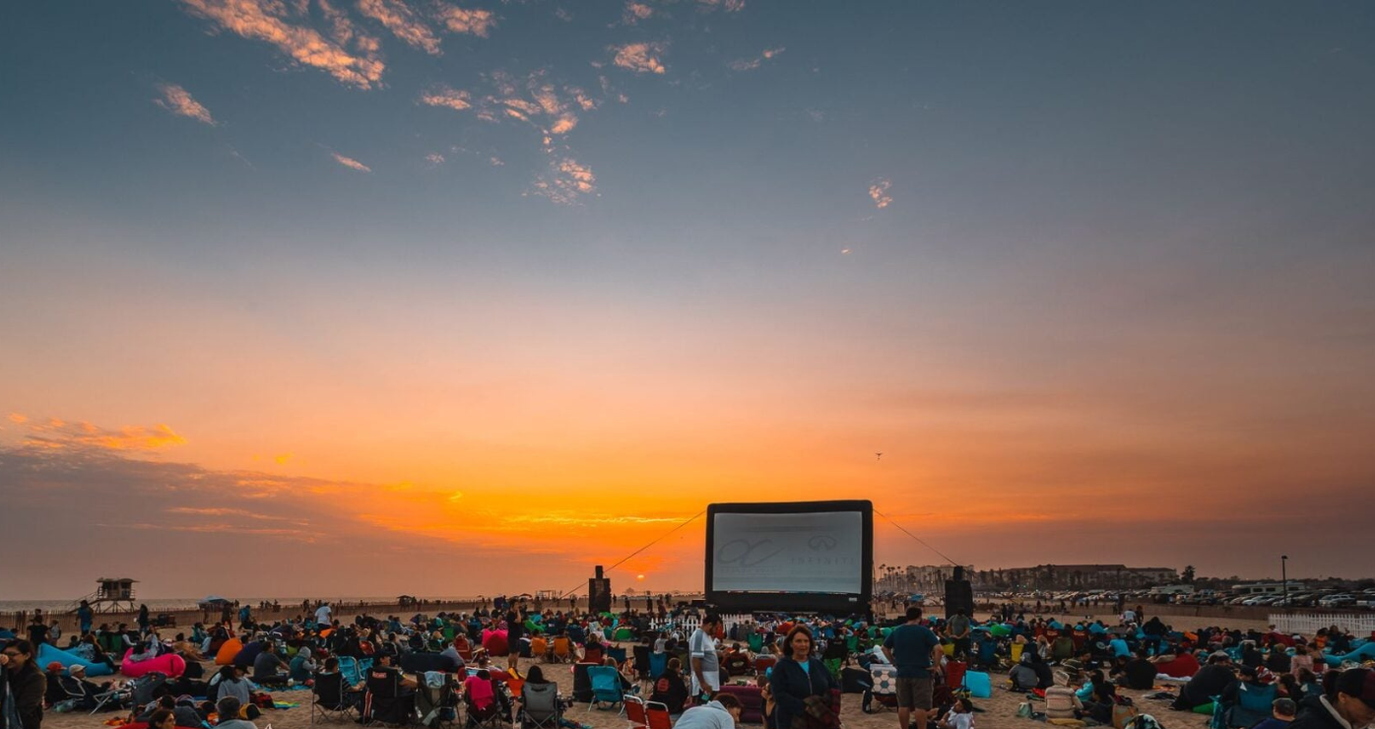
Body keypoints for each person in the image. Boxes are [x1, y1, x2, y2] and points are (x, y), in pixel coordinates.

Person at [882, 606, 943, 729]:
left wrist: (893, 662)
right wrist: (935, 666)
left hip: (902, 672)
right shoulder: (925, 631)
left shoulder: (897, 631)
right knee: (920, 706)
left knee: (903, 705)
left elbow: (884, 648)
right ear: (919, 617)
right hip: (921, 673)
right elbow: (939, 649)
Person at [770, 626, 836, 729]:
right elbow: (778, 694)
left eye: (806, 641)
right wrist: (804, 706)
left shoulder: (818, 665)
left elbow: (833, 685)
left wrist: (823, 705)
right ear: (791, 644)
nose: (803, 645)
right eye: (798, 641)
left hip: (818, 718)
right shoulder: (781, 666)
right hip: (790, 721)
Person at [1288, 668, 1375, 729]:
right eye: (1370, 705)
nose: (1373, 713)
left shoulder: (1357, 722)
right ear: (1343, 697)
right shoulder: (1306, 725)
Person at [1172, 651, 1238, 711]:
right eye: (1230, 663)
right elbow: (1230, 690)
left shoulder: (1204, 668)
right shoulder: (1228, 673)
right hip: (1203, 700)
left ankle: (1178, 705)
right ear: (1224, 662)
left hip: (1188, 694)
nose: (1231, 666)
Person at [2, 641, 46, 729]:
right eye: (5, 654)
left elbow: (25, 707)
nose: (8, 658)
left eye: (12, 654)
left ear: (27, 655)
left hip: (25, 723)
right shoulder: (4, 672)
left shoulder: (36, 677)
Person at [689, 614, 723, 701]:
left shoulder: (707, 636)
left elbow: (707, 654)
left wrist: (721, 654)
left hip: (711, 683)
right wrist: (703, 683)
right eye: (716, 628)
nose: (716, 631)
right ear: (710, 625)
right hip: (704, 685)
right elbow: (696, 660)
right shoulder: (699, 636)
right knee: (703, 705)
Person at [671, 693, 741, 729]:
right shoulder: (726, 716)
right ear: (728, 706)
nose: (737, 719)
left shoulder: (692, 710)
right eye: (737, 714)